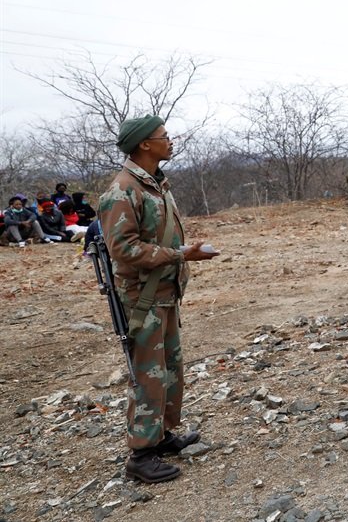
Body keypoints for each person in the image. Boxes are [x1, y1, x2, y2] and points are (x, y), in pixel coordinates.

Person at [98, 115, 218, 484]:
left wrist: (181, 254)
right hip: (143, 299)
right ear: (145, 145)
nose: (171, 141)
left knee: (169, 369)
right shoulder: (122, 191)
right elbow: (123, 250)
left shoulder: (154, 184)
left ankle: (161, 436)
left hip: (165, 293)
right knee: (148, 376)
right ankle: (141, 454)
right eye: (164, 137)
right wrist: (181, 255)